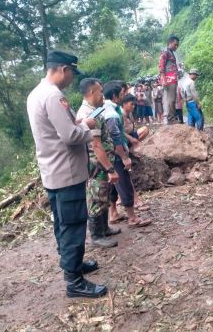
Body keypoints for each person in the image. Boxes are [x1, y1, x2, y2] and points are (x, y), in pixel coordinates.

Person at [27, 50, 107, 298]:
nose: (72, 78)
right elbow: (71, 136)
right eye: (72, 72)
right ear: (63, 69)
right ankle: (74, 281)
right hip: (66, 172)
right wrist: (87, 126)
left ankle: (72, 263)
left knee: (62, 223)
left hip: (52, 172)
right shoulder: (53, 97)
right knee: (72, 225)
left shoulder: (35, 94)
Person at [76, 78, 121, 249]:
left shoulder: (95, 110)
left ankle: (104, 229)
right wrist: (109, 168)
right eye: (100, 91)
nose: (103, 94)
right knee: (96, 197)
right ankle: (96, 235)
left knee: (103, 195)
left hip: (103, 162)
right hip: (97, 165)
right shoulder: (87, 114)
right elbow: (96, 144)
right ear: (91, 93)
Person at [102, 81, 152, 227]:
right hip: (115, 154)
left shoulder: (103, 109)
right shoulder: (112, 113)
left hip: (108, 154)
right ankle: (132, 218)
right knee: (124, 182)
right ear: (115, 96)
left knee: (112, 185)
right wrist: (124, 156)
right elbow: (116, 136)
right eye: (122, 94)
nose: (123, 97)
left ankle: (113, 214)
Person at [158, 35, 179, 125]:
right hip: (169, 79)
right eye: (175, 44)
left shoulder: (171, 52)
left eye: (177, 45)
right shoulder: (165, 52)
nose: (176, 47)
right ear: (170, 43)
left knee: (173, 99)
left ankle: (172, 117)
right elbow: (161, 66)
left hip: (173, 78)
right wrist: (164, 79)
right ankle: (171, 119)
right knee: (171, 99)